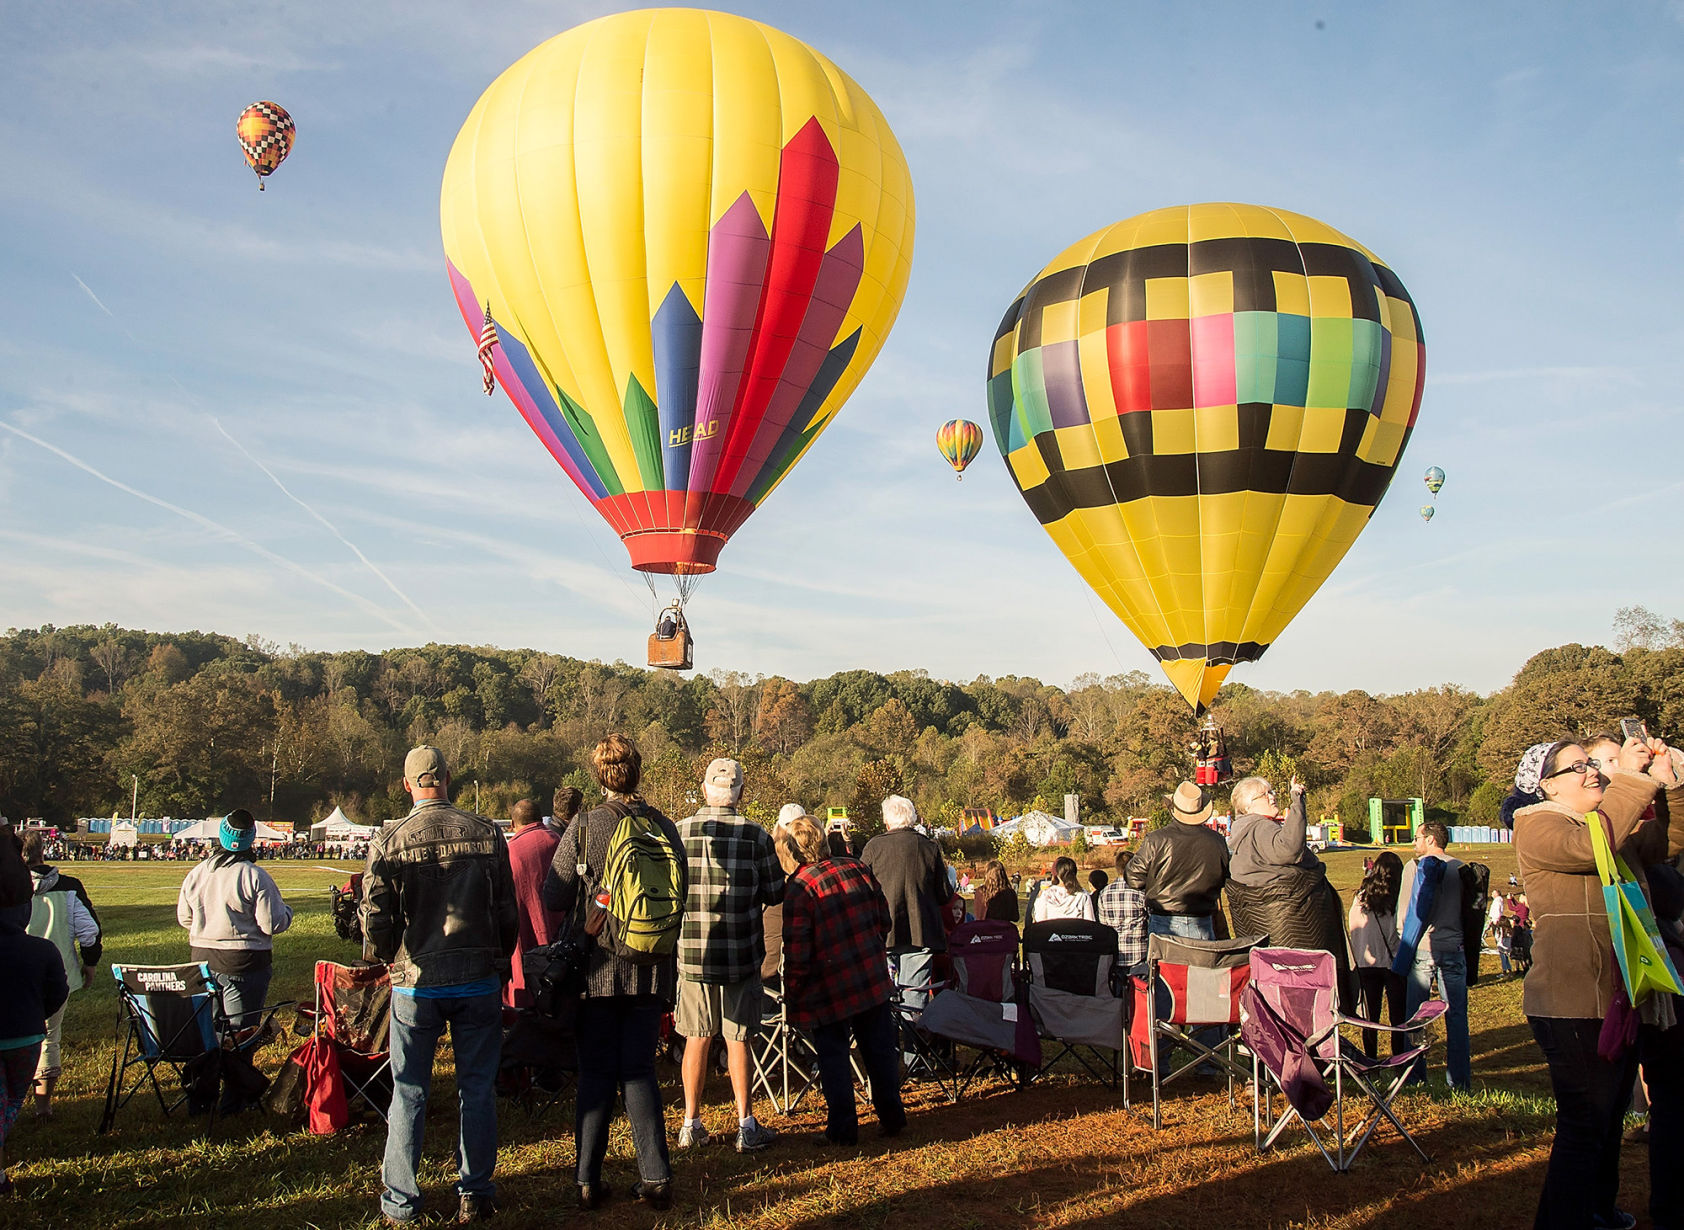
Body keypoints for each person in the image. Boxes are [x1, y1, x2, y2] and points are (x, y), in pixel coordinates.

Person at [1507, 736, 1683, 1230]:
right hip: (1571, 1003)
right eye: (1577, 766)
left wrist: (1667, 784)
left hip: (1612, 998)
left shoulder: (1600, 823)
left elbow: (1665, 843)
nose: (1592, 772)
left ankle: (1596, 1212)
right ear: (1546, 786)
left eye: (1592, 764)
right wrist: (1629, 778)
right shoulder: (1538, 824)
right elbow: (1591, 848)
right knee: (1584, 1127)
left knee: (1603, 1124)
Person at [362, 747, 517, 1225]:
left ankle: (401, 1201)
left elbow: (375, 917)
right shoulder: (488, 833)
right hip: (476, 978)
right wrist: (496, 961)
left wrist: (391, 958)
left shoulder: (389, 839)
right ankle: (475, 1190)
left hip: (416, 981)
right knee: (477, 1089)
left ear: (407, 785)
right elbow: (507, 912)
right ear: (448, 778)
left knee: (409, 1092)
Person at [543, 734, 686, 1213]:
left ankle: (587, 1179)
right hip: (651, 968)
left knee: (597, 1073)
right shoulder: (665, 826)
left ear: (599, 775)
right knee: (640, 1071)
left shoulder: (585, 826)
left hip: (598, 969)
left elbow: (555, 895)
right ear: (638, 771)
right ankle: (656, 1176)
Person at [674, 757, 784, 1154]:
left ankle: (691, 1123)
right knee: (739, 1038)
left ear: (705, 790)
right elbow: (775, 893)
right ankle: (746, 1124)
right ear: (740, 793)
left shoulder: (678, 833)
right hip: (741, 951)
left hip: (693, 954)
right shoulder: (757, 836)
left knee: (696, 1036)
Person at [781, 815, 906, 1146]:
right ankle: (893, 1117)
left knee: (833, 1056)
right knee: (879, 1051)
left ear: (793, 848)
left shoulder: (799, 887)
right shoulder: (857, 869)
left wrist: (793, 991)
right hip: (869, 976)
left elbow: (797, 950)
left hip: (829, 986)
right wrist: (869, 949)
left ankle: (843, 1128)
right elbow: (884, 920)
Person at [176, 808, 293, 1109]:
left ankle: (201, 1097)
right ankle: (236, 1099)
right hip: (243, 964)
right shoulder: (255, 876)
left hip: (202, 961)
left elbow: (184, 918)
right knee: (241, 1034)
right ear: (251, 840)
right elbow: (272, 924)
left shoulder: (198, 873)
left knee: (208, 1034)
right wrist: (287, 913)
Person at [1227, 775, 1354, 1008]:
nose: (1273, 797)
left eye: (1272, 791)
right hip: (1294, 930)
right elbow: (1289, 849)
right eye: (1266, 794)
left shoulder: (1243, 834)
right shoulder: (1260, 827)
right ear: (1248, 806)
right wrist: (1297, 802)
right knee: (1305, 999)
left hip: (1267, 932)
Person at [20, 831, 101, 1119]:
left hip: (14, 975)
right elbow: (89, 932)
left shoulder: (9, 887)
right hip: (57, 973)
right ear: (43, 851)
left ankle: (13, 1101)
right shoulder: (68, 887)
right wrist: (89, 963)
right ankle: (43, 1106)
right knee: (49, 1038)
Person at [0, 882, 66, 1198]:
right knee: (12, 1099)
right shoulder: (42, 950)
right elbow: (57, 993)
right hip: (25, 1038)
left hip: (22, 1035)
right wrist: (34, 1015)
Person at [1393, 820, 1469, 1090]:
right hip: (1455, 947)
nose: (1414, 843)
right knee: (1457, 1016)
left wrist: (1404, 945)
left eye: (1417, 838)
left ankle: (1414, 1075)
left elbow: (1406, 913)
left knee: (1416, 1016)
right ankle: (1459, 1080)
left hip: (1424, 947)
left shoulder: (1414, 868)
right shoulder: (1461, 869)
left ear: (1431, 840)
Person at [860, 795, 950, 1011]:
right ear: (913, 818)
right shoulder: (929, 847)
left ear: (886, 821)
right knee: (914, 999)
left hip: (881, 933)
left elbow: (861, 892)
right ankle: (912, 1043)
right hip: (920, 932)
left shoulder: (874, 847)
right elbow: (944, 894)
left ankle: (887, 1041)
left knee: (881, 997)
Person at [1124, 783, 1230, 940]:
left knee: (1166, 965)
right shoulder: (1217, 841)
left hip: (1164, 920)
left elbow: (1133, 879)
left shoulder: (1156, 839)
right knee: (1200, 964)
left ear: (1173, 809)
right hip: (1203, 921)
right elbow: (1225, 877)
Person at [505, 798, 562, 1010]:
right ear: (541, 819)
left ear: (512, 824)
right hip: (558, 938)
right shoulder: (557, 841)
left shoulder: (510, 851)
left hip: (522, 936)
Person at [1347, 851, 1405, 1058]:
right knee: (1398, 1019)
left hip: (1365, 964)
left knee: (1370, 1019)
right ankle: (1399, 1059)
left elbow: (1353, 926)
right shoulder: (1397, 898)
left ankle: (1371, 1060)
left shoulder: (1361, 897)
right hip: (1392, 963)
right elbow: (1396, 932)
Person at [1095, 848, 1148, 972]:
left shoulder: (1104, 893)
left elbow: (1104, 926)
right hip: (1139, 953)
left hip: (1115, 953)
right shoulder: (1141, 892)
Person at [1031, 857, 1097, 923]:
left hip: (1052, 932)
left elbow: (1040, 919)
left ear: (1057, 873)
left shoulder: (1046, 894)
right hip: (1076, 932)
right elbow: (1090, 921)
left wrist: (1038, 899)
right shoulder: (1083, 894)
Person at [970, 860, 1018, 925]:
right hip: (1004, 930)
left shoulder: (980, 892)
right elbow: (1015, 917)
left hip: (984, 930)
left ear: (987, 874)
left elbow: (978, 916)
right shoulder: (1009, 893)